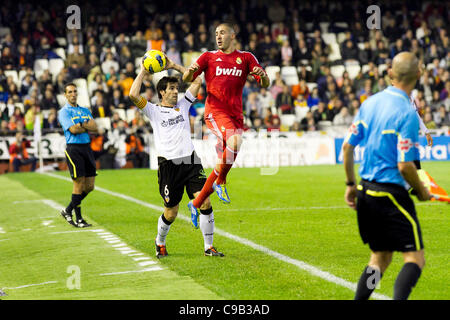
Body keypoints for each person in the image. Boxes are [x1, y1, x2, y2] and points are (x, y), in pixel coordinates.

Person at [343, 52, 431, 300]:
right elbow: (405, 166)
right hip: (391, 194)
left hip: (365, 191)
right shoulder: (408, 113)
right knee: (415, 258)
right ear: (418, 74)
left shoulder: (369, 103)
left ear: (391, 73)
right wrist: (422, 191)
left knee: (379, 259)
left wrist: (350, 184)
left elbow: (347, 148)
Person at [129, 56, 224, 258]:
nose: (175, 92)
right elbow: (132, 94)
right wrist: (144, 72)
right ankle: (160, 241)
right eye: (171, 89)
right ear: (162, 92)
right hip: (168, 166)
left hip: (189, 161)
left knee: (204, 201)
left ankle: (209, 247)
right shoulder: (153, 111)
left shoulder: (184, 104)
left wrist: (173, 66)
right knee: (171, 212)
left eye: (176, 88)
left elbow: (197, 80)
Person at [182, 22, 269, 226]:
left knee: (222, 162)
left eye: (222, 33)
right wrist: (190, 71)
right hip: (215, 112)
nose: (218, 36)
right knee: (236, 141)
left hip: (236, 115)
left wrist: (263, 76)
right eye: (216, 34)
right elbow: (187, 78)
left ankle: (196, 203)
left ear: (232, 35)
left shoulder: (246, 58)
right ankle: (221, 182)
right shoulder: (208, 57)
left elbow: (265, 83)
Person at [58, 83, 98, 228]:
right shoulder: (64, 112)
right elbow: (73, 130)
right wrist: (85, 125)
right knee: (79, 183)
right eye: (70, 92)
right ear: (65, 95)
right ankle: (79, 219)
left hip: (87, 147)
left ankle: (68, 210)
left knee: (90, 186)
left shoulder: (84, 109)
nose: (73, 94)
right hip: (74, 148)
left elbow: (95, 127)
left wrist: (81, 125)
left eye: (75, 91)